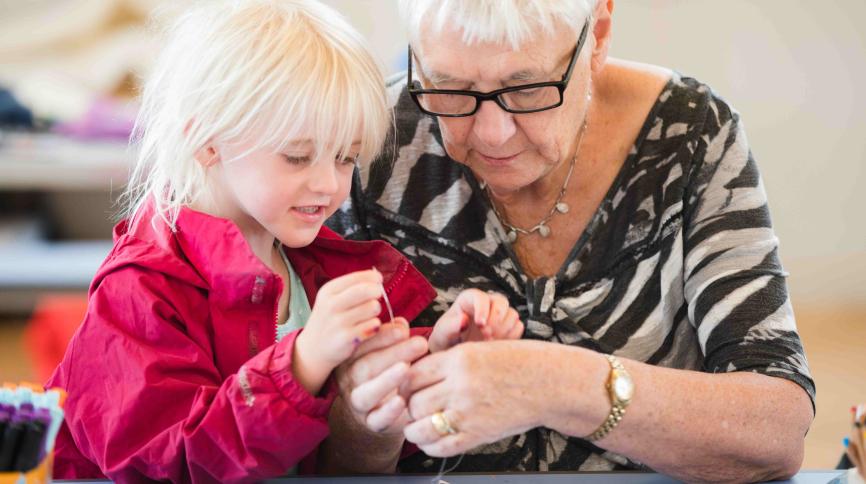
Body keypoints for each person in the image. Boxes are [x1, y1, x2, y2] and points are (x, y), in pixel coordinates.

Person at [323, 0, 815, 481]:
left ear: (597, 35)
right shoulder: (368, 145)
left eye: (528, 89)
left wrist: (557, 386)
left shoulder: (690, 135)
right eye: (451, 88)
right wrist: (367, 416)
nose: (493, 134)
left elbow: (777, 434)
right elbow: (327, 461)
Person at [44, 0, 523, 481]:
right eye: (297, 156)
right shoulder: (140, 289)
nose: (327, 185)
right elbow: (174, 463)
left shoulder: (313, 269)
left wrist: (435, 354)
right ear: (207, 140)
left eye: (344, 158)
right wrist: (299, 363)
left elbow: (355, 430)